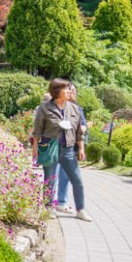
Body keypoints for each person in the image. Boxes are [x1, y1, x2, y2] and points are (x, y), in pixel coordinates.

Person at [31, 78, 92, 222]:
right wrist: (35, 149)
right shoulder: (44, 108)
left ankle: (80, 210)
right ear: (57, 91)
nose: (70, 91)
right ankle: (48, 208)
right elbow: (37, 130)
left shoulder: (74, 109)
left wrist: (81, 148)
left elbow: (78, 132)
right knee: (50, 180)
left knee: (77, 180)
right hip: (50, 147)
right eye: (66, 89)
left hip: (68, 149)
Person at [54, 83, 87, 214]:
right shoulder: (55, 106)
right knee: (52, 176)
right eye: (69, 90)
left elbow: (82, 127)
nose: (72, 93)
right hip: (55, 146)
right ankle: (49, 204)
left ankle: (61, 202)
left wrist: (81, 148)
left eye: (74, 91)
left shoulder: (78, 109)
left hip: (70, 147)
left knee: (67, 176)